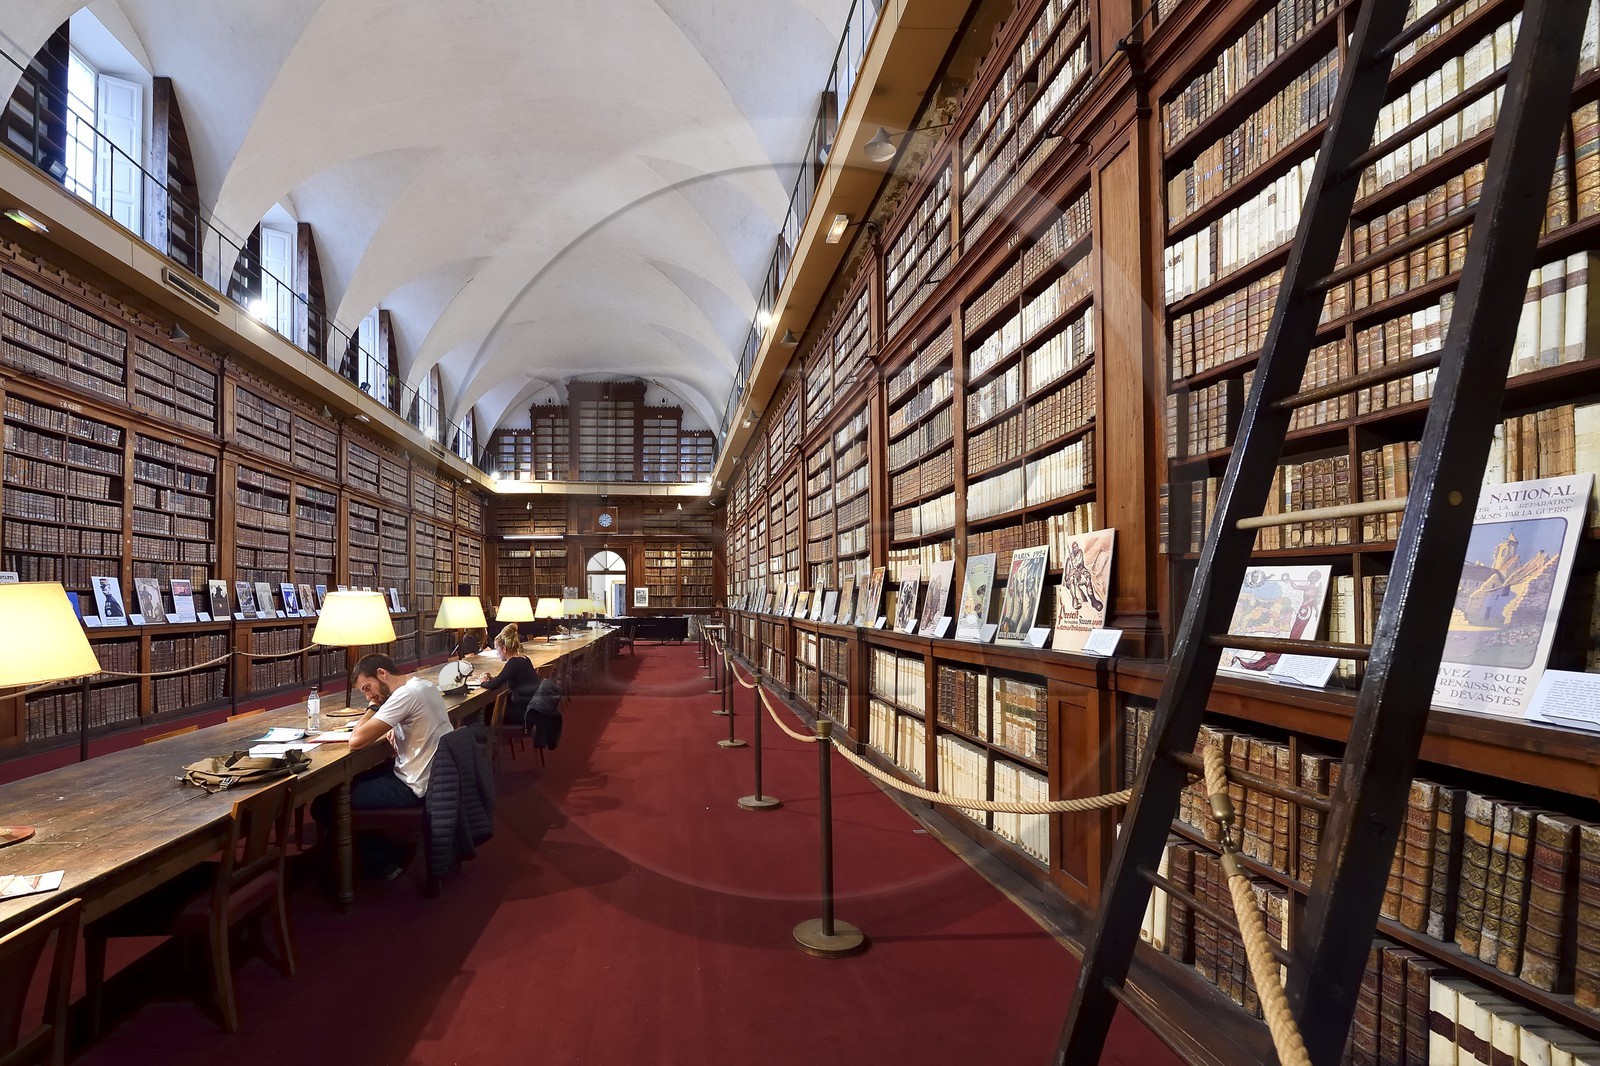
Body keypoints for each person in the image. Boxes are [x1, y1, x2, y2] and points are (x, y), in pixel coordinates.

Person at [317, 653, 453, 878]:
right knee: (351, 782)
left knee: (324, 804)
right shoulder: (422, 685)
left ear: (382, 673)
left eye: (368, 688)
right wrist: (393, 725)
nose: (370, 695)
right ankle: (382, 847)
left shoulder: (404, 695)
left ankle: (386, 857)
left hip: (412, 785)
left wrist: (372, 707)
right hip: (432, 777)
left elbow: (356, 740)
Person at [478, 623, 542, 727]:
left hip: (523, 712)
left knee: (491, 707)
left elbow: (494, 685)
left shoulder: (513, 662)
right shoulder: (524, 658)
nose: (497, 654)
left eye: (497, 650)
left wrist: (483, 681)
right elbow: (503, 679)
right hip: (532, 708)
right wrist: (493, 679)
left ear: (504, 649)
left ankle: (485, 736)